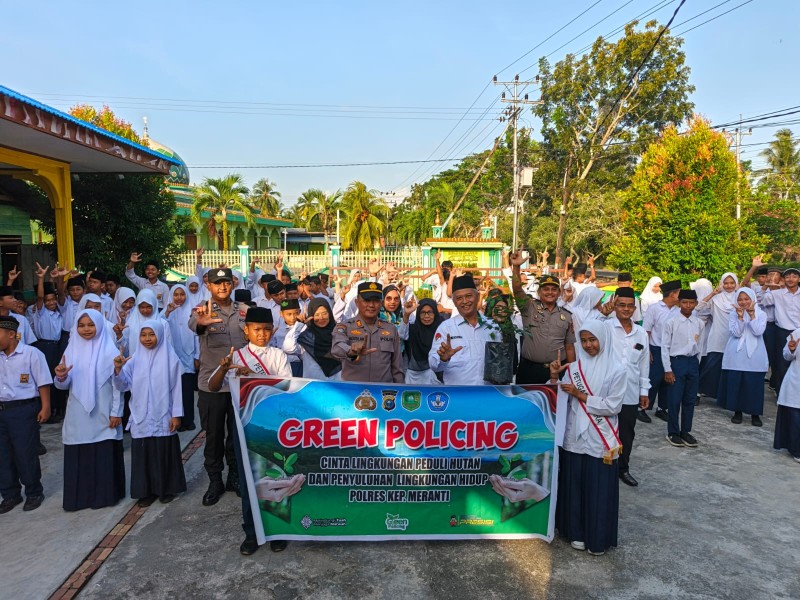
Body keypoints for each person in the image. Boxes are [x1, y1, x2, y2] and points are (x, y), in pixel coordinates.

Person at [553, 319, 625, 556]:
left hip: (599, 438)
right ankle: (575, 532)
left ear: (603, 338)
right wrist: (555, 379)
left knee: (598, 487)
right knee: (575, 485)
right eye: (583, 340)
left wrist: (581, 396)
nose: (588, 345)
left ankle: (597, 537)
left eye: (592, 339)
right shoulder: (574, 368)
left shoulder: (618, 368)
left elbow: (613, 405)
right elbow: (561, 397)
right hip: (575, 435)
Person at [54, 309, 125, 511]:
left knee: (103, 450)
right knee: (79, 450)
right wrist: (60, 376)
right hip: (78, 413)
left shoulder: (110, 350)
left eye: (91, 324)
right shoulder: (71, 350)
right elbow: (63, 384)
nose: (86, 329)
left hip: (104, 412)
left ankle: (104, 496)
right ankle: (80, 498)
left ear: (100, 325)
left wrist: (116, 412)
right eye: (82, 325)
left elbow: (118, 386)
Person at [188, 268, 246, 506]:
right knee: (213, 436)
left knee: (236, 435)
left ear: (233, 283)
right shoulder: (201, 309)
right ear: (208, 286)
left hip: (239, 384)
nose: (222, 286)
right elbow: (196, 325)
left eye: (226, 282)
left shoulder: (244, 311)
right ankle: (215, 480)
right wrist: (201, 323)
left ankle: (234, 477)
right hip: (211, 386)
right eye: (217, 283)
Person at [113, 320, 186, 506]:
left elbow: (177, 388)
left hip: (164, 414)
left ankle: (165, 489)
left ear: (160, 335)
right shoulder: (135, 359)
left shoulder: (171, 358)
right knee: (144, 453)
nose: (147, 339)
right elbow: (122, 385)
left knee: (163, 450)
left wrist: (176, 414)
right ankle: (145, 491)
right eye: (143, 335)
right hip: (141, 415)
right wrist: (118, 369)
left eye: (151, 334)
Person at [0, 316, 51, 513]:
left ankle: (34, 492)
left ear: (11, 334)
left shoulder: (31, 354)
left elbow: (43, 382)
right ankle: (10, 494)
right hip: (1, 410)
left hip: (23, 410)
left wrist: (45, 407)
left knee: (25, 453)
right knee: (3, 455)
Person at [510, 251, 576, 384]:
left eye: (553, 289)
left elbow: (569, 347)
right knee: (527, 404)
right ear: (539, 292)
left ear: (559, 293)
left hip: (557, 371)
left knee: (555, 404)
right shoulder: (529, 307)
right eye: (546, 289)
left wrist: (573, 373)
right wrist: (516, 267)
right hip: (529, 370)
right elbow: (517, 290)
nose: (550, 292)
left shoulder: (567, 316)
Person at [607, 287, 650, 487]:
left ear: (635, 308)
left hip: (631, 392)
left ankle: (622, 469)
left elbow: (643, 365)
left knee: (626, 433)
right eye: (621, 305)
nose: (626, 309)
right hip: (606, 391)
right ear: (614, 305)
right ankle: (604, 468)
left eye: (630, 306)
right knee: (605, 430)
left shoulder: (641, 333)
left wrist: (644, 391)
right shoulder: (605, 328)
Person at [428, 275, 500, 385]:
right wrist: (443, 359)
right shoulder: (446, 328)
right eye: (459, 298)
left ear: (477, 296)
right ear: (454, 301)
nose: (465, 301)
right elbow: (433, 365)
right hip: (458, 396)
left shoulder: (493, 326)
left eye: (469, 296)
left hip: (487, 394)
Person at [332, 282, 404, 383]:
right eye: (366, 300)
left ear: (381, 303)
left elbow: (397, 368)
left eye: (376, 301)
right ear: (357, 302)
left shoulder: (390, 329)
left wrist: (400, 392)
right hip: (354, 394)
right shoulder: (345, 327)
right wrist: (350, 351)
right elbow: (336, 347)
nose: (371, 305)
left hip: (383, 394)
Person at [208, 307, 292, 390]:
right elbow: (212, 387)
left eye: (267, 329)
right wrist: (222, 370)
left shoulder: (279, 355)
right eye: (257, 329)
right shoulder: (236, 356)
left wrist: (255, 376)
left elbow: (286, 387)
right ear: (246, 329)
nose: (262, 334)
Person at [717, 287, 767, 426]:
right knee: (737, 383)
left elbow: (758, 331)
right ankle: (737, 411)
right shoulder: (733, 314)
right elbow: (737, 333)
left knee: (754, 384)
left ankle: (755, 414)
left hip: (755, 354)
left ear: (753, 299)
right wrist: (740, 317)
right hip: (737, 353)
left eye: (746, 299)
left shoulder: (761, 314)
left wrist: (751, 316)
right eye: (740, 299)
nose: (743, 302)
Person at [661, 289, 704, 448]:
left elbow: (700, 345)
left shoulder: (699, 323)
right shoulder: (671, 321)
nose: (688, 305)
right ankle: (673, 431)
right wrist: (668, 369)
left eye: (691, 302)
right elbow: (664, 347)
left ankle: (686, 431)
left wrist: (696, 365)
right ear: (679, 303)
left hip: (692, 362)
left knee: (690, 399)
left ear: (696, 304)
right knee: (674, 399)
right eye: (684, 302)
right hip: (676, 362)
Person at [641, 279, 681, 423]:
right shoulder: (654, 308)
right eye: (678, 293)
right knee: (654, 379)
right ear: (672, 294)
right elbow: (646, 331)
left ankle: (662, 408)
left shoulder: (678, 311)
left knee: (668, 380)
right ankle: (642, 408)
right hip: (656, 348)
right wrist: (648, 351)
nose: (680, 296)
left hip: (672, 350)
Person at [698, 272, 739, 399]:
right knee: (711, 367)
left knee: (729, 369)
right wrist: (713, 294)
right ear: (721, 284)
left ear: (736, 284)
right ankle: (697, 392)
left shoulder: (740, 299)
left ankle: (723, 396)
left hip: (735, 338)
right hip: (717, 337)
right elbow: (698, 308)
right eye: (726, 283)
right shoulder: (715, 300)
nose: (729, 286)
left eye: (732, 283)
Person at [165, 285, 199, 432]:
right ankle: (177, 420)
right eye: (176, 295)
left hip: (189, 356)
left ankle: (188, 421)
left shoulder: (192, 312)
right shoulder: (168, 313)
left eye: (182, 294)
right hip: (173, 357)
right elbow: (160, 325)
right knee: (174, 391)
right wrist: (167, 312)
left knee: (187, 390)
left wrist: (197, 356)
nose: (179, 298)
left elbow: (197, 335)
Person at [761, 267, 800, 395]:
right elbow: (761, 299)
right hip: (782, 332)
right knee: (780, 363)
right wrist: (768, 285)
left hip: (798, 332)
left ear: (799, 279)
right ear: (783, 279)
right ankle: (781, 393)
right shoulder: (777, 294)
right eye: (788, 276)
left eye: (794, 276)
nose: (791, 279)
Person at [287, 298, 342, 381]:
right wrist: (299, 324)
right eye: (316, 315)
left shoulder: (338, 333)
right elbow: (288, 348)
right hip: (312, 386)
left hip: (337, 385)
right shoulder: (306, 337)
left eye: (324, 313)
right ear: (311, 316)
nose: (321, 317)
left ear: (330, 314)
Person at [399, 298, 442, 385]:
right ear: (418, 314)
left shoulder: (441, 329)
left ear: (435, 313)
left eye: (430, 312)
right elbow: (401, 334)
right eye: (422, 313)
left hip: (435, 376)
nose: (426, 316)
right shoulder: (413, 328)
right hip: (413, 377)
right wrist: (406, 314)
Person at [774, 329, 800, 463]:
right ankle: (796, 449)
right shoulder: (796, 334)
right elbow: (786, 356)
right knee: (795, 418)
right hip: (796, 381)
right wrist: (791, 349)